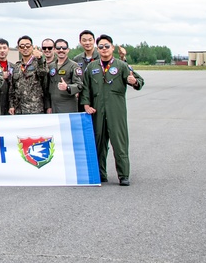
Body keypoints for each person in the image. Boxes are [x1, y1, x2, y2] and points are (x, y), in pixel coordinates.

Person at [81, 34, 144, 186]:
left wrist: (134, 81)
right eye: (101, 47)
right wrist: (86, 105)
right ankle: (100, 174)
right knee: (99, 143)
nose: (104, 49)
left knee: (119, 142)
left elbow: (139, 81)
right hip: (97, 110)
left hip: (116, 111)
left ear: (112, 48)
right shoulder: (92, 67)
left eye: (107, 46)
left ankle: (123, 175)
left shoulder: (121, 66)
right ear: (98, 49)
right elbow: (85, 88)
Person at [8, 35, 50, 115]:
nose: (25, 48)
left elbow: (43, 73)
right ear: (19, 49)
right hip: (19, 109)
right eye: (22, 46)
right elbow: (12, 88)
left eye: (28, 46)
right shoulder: (17, 66)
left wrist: (40, 58)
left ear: (32, 47)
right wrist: (11, 105)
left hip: (35, 108)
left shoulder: (39, 62)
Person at [47, 39, 84, 114]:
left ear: (68, 50)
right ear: (54, 50)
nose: (61, 50)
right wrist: (48, 106)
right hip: (53, 105)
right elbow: (47, 87)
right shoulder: (51, 66)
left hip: (68, 105)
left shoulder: (74, 66)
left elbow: (80, 85)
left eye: (64, 48)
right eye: (58, 48)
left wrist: (67, 87)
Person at [0, 39, 13, 115]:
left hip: (10, 105)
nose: (2, 50)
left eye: (4, 48)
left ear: (8, 49)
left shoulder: (14, 67)